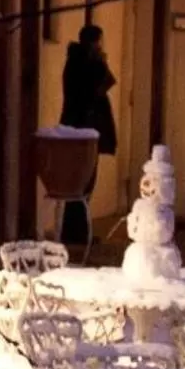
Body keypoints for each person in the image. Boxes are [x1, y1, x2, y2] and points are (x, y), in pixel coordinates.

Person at [58, 25, 117, 245]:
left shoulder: (75, 61)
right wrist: (101, 61)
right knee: (82, 183)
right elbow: (103, 83)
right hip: (84, 130)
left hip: (80, 129)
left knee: (80, 183)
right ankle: (76, 232)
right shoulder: (85, 63)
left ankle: (76, 231)